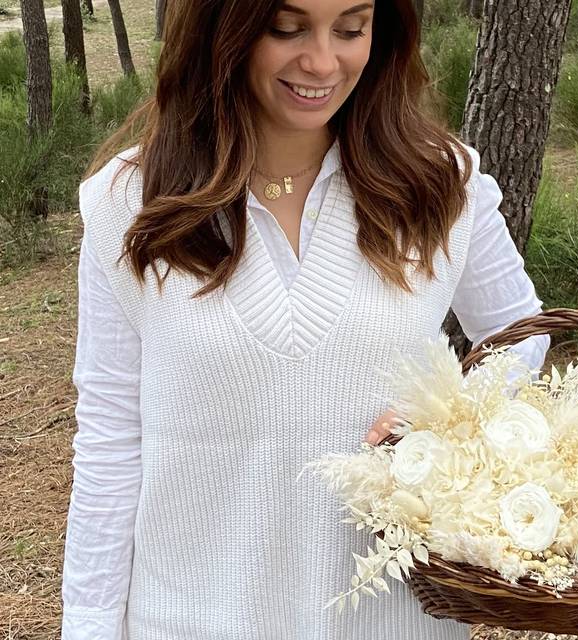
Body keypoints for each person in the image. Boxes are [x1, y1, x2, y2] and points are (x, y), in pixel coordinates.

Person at [61, 0, 550, 637]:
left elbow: (520, 330)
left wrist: (455, 416)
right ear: (224, 28)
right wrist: (88, 625)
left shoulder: (441, 184)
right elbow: (109, 438)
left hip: (393, 619)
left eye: (351, 29)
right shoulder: (128, 207)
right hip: (193, 616)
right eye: (286, 28)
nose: (322, 61)